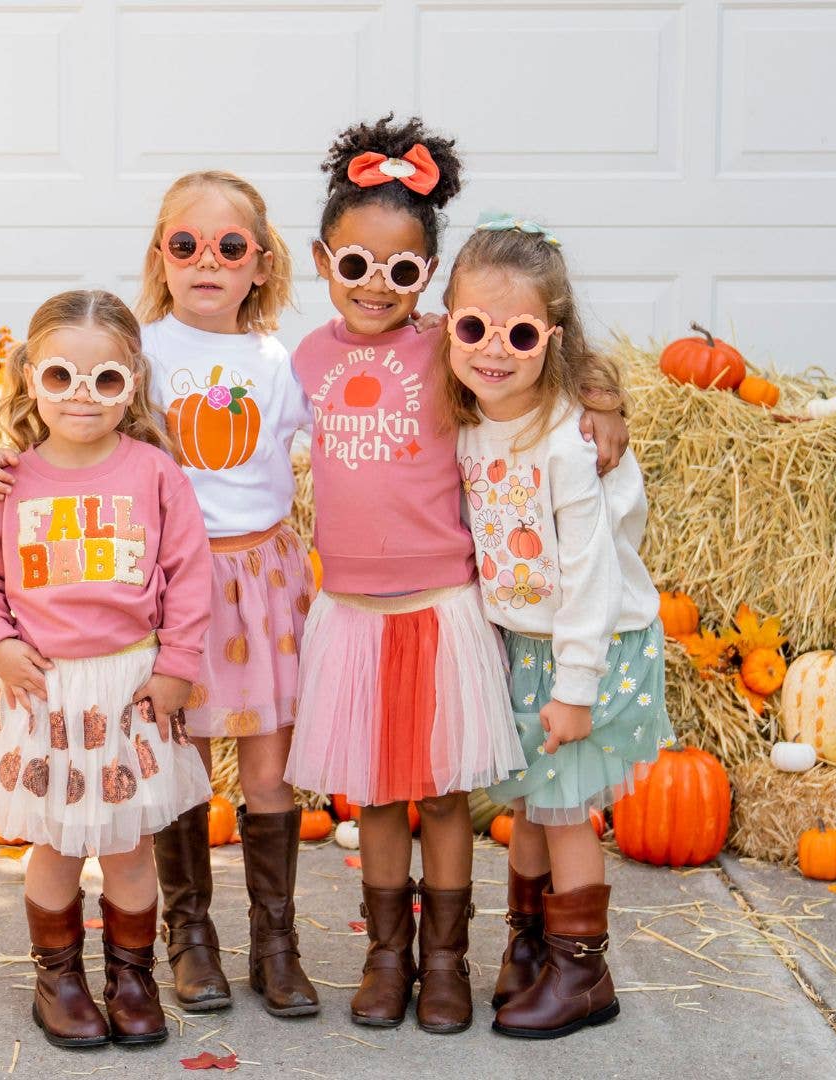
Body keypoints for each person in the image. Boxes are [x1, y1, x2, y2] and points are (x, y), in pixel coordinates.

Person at [284, 115, 631, 1035]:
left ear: (428, 275)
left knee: (442, 794)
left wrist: (604, 397)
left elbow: (540, 355)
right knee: (376, 794)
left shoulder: (451, 345)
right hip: (351, 614)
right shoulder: (304, 361)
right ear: (322, 262)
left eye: (401, 270)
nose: (377, 285)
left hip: (442, 612)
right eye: (355, 264)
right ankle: (387, 956)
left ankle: (445, 962)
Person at [0, 173, 321, 1018]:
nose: (208, 261)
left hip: (258, 582)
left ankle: (275, 943)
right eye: (186, 244)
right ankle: (188, 938)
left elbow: (353, 422)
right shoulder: (141, 350)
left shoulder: (279, 362)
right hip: (159, 590)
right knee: (168, 770)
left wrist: (592, 396)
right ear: (160, 256)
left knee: (267, 774)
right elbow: (68, 416)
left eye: (230, 247)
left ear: (262, 263)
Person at [0, 290, 213, 1048]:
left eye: (105, 379)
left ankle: (132, 977)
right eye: (61, 376)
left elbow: (190, 575)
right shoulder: (10, 480)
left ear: (132, 384)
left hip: (129, 689)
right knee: (58, 845)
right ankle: (58, 979)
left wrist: (178, 664)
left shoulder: (155, 474)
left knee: (130, 846)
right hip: (46, 692)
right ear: (30, 378)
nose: (82, 396)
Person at [441, 214, 675, 1038]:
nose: (493, 350)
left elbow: (590, 577)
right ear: (447, 325)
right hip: (528, 644)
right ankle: (530, 947)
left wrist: (575, 688)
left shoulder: (570, 442)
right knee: (533, 804)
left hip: (592, 647)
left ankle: (583, 974)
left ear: (553, 337)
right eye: (474, 327)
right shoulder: (473, 420)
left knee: (566, 807)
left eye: (519, 334)